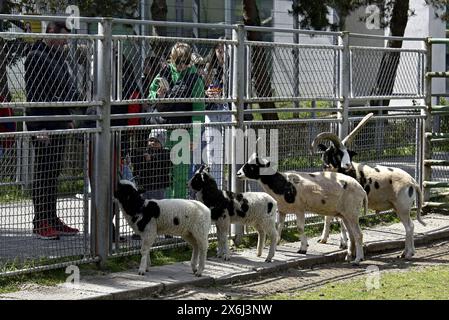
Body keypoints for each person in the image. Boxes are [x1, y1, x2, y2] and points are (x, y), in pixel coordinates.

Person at [24, 21, 80, 240]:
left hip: (58, 122)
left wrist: (67, 117)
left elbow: (65, 88)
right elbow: (35, 94)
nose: (66, 42)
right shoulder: (36, 56)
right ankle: (40, 222)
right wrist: (40, 127)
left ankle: (51, 217)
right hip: (44, 125)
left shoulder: (58, 57)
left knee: (53, 173)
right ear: (51, 33)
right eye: (63, 37)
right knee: (44, 173)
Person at [148, 42, 205, 199]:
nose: (182, 66)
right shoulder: (163, 73)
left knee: (179, 176)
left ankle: (177, 210)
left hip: (182, 132)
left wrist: (194, 136)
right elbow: (150, 94)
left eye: (186, 62)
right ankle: (162, 210)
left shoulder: (195, 80)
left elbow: (198, 111)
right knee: (159, 174)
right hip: (161, 129)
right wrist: (157, 96)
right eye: (178, 62)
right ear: (172, 59)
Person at [132, 129, 172, 240]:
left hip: (158, 187)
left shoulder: (165, 153)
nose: (153, 143)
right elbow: (137, 167)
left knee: (160, 209)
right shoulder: (144, 152)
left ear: (162, 143)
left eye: (156, 141)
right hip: (144, 186)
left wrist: (152, 159)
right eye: (151, 140)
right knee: (142, 210)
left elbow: (164, 164)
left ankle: (167, 230)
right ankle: (140, 230)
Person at [203, 42, 232, 188]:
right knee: (213, 154)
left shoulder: (235, 67)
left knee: (234, 152)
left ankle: (235, 188)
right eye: (219, 51)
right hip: (213, 111)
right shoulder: (208, 69)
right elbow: (200, 90)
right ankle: (217, 189)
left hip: (230, 111)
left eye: (225, 51)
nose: (222, 54)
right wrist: (206, 93)